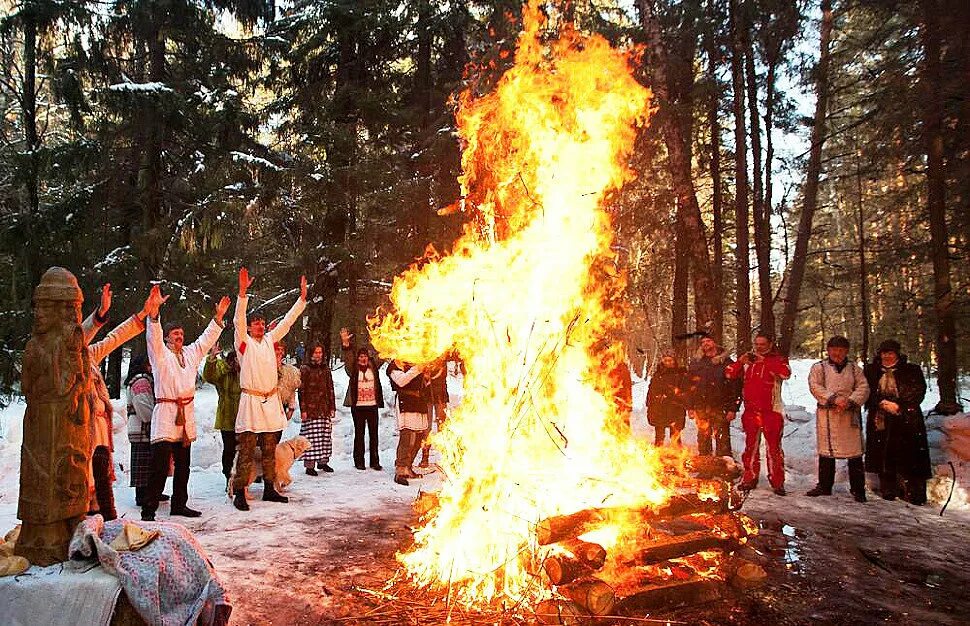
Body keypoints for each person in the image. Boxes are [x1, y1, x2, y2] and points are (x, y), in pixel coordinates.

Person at [142, 289, 230, 521]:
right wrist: (154, 315)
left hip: (185, 415)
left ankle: (179, 504)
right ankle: (148, 508)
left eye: (181, 333)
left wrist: (218, 318)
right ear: (168, 337)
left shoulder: (190, 354)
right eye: (175, 333)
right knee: (159, 467)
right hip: (166, 414)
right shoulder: (160, 355)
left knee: (183, 467)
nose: (179, 336)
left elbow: (205, 340)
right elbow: (153, 338)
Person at [83, 284, 164, 520]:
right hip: (78, 432)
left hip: (98, 430)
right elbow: (77, 337)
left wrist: (143, 313)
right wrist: (98, 316)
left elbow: (115, 338)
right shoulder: (61, 354)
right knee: (83, 481)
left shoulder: (88, 354)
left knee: (99, 482)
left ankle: (102, 518)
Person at [232, 267, 307, 511]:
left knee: (269, 450)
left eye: (262, 323)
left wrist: (301, 300)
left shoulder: (269, 341)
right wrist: (243, 294)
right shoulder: (244, 345)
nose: (260, 327)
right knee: (246, 452)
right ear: (250, 327)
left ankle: (269, 489)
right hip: (252, 404)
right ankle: (240, 493)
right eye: (256, 324)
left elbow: (287, 322)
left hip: (270, 404)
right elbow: (237, 321)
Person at [864, 339, 930, 504]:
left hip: (907, 417)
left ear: (897, 354)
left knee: (911, 454)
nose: (887, 356)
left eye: (890, 353)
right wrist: (880, 402)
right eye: (884, 353)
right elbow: (865, 390)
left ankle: (915, 492)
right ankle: (888, 488)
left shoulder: (911, 370)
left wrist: (899, 406)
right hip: (880, 417)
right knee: (884, 453)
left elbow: (918, 390)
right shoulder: (871, 370)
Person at [726, 332, 791, 495]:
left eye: (762, 344)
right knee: (750, 448)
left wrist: (765, 362)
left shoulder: (778, 359)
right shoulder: (749, 360)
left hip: (771, 412)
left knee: (774, 449)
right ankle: (749, 478)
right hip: (751, 411)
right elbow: (729, 374)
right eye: (757, 344)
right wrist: (740, 362)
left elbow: (785, 373)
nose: (759, 347)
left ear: (770, 344)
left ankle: (777, 482)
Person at [807, 336, 870, 502]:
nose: (837, 353)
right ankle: (825, 486)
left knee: (854, 453)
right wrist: (833, 399)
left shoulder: (854, 368)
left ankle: (858, 489)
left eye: (841, 350)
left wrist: (850, 401)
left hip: (849, 414)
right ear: (828, 350)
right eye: (834, 349)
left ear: (847, 351)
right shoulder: (819, 367)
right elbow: (815, 386)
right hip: (828, 414)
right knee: (827, 452)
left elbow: (863, 387)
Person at [687, 334, 742, 457]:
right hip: (701, 406)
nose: (706, 343)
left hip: (720, 406)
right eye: (703, 342)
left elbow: (736, 387)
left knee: (722, 440)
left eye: (709, 340)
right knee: (703, 439)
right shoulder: (696, 363)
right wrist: (690, 406)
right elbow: (690, 386)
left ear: (715, 343)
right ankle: (706, 468)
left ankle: (724, 469)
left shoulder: (726, 362)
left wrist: (733, 408)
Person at [341, 327, 385, 471]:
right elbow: (348, 358)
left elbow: (383, 356)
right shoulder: (353, 368)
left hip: (372, 405)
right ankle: (359, 461)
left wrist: (386, 343)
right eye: (360, 357)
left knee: (374, 434)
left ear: (368, 357)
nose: (363, 358)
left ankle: (375, 461)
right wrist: (345, 343)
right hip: (358, 406)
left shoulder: (373, 366)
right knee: (359, 434)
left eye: (365, 356)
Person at [125, 354, 166, 507]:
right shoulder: (141, 382)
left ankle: (151, 492)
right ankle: (142, 495)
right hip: (142, 429)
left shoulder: (143, 380)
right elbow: (144, 408)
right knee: (143, 463)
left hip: (142, 429)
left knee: (148, 463)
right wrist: (155, 416)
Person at [202, 345, 242, 487]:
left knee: (246, 450)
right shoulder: (223, 371)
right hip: (227, 417)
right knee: (230, 450)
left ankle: (244, 479)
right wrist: (212, 358)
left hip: (246, 418)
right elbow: (208, 376)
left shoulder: (247, 372)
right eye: (236, 359)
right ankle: (228, 478)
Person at [387, 358, 430, 486]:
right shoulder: (394, 366)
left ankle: (408, 467)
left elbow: (424, 382)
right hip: (405, 401)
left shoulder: (413, 361)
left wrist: (426, 376)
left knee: (419, 437)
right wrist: (418, 368)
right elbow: (401, 381)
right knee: (407, 437)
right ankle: (400, 470)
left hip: (419, 401)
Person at [299, 344, 337, 475]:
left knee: (324, 436)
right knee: (311, 437)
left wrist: (332, 407)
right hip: (311, 408)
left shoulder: (326, 369)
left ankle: (323, 462)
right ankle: (310, 465)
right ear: (311, 354)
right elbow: (301, 391)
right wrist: (303, 409)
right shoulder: (305, 369)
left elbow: (330, 388)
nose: (318, 355)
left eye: (320, 352)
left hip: (324, 407)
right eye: (315, 352)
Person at [646, 350, 689, 446]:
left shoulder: (680, 375)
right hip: (659, 409)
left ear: (674, 361)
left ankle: (677, 455)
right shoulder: (658, 374)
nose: (668, 363)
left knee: (675, 436)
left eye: (670, 360)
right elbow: (652, 390)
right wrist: (650, 403)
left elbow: (684, 391)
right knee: (659, 436)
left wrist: (674, 398)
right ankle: (658, 453)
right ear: (662, 361)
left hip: (675, 409)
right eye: (666, 360)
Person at [418, 361, 448, 468]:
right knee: (426, 428)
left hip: (440, 395)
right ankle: (425, 456)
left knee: (443, 427)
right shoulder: (425, 356)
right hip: (427, 396)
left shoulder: (441, 354)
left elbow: (441, 373)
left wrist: (431, 374)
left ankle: (448, 456)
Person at [276, 341, 302, 423]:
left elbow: (291, 390)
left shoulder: (289, 371)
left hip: (281, 407)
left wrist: (291, 408)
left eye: (282, 349)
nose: (280, 352)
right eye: (277, 349)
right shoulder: (262, 367)